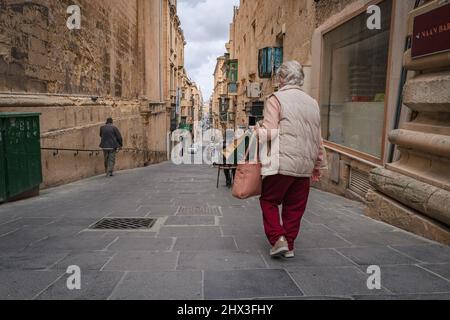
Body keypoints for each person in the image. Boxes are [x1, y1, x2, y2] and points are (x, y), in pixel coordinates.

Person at [256, 61, 327, 259]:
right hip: (305, 164)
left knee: (269, 200)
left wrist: (257, 130)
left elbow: (269, 132)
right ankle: (290, 245)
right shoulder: (312, 103)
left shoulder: (276, 99)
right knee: (295, 206)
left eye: (278, 77)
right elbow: (317, 138)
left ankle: (278, 238)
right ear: (300, 79)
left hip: (283, 162)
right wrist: (318, 165)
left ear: (281, 78)